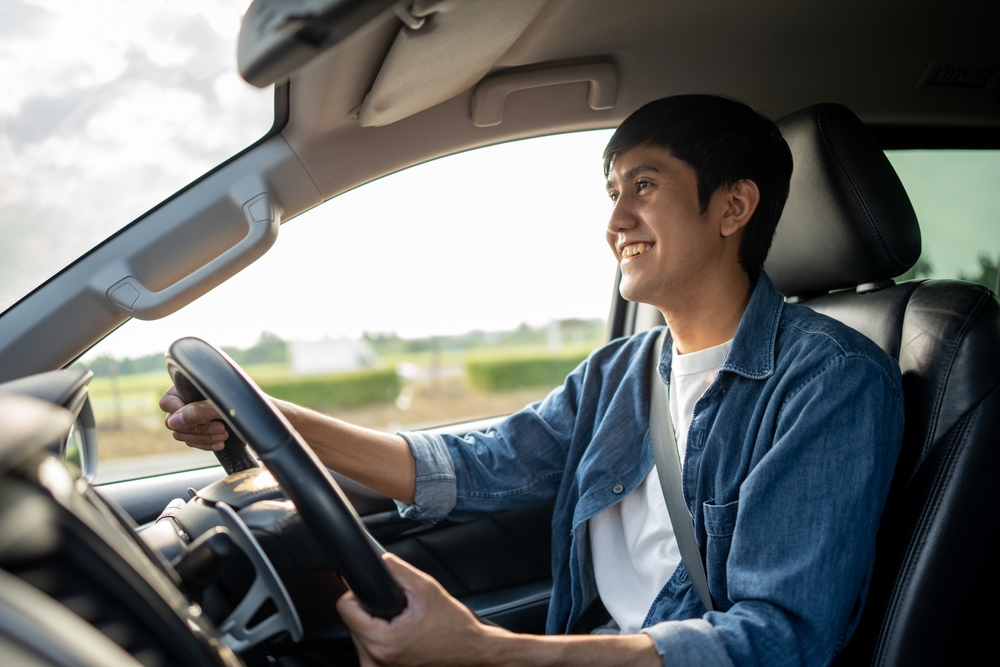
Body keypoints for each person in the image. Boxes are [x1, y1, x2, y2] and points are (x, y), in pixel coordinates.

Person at [161, 95, 904, 667]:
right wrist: (253, 414)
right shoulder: (623, 370)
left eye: (643, 185)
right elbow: (473, 464)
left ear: (733, 206)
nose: (616, 220)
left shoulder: (829, 383)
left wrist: (490, 651)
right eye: (613, 191)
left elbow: (775, 642)